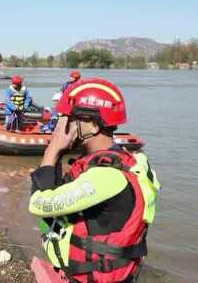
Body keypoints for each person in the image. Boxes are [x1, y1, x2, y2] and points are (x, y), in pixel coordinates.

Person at [28, 78, 160, 283]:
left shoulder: (106, 177)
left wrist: (53, 148)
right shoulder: (126, 160)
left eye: (69, 119)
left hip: (95, 277)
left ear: (91, 125)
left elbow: (38, 204)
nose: (61, 126)